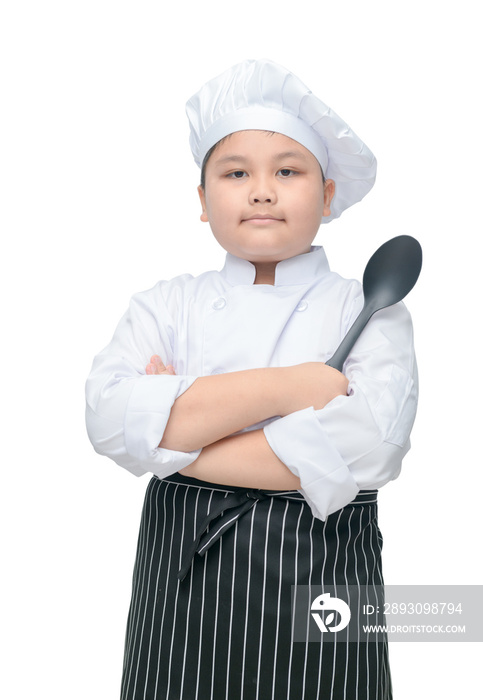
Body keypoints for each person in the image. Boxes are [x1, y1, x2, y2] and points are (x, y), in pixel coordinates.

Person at [85, 59, 418, 700]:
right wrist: (294, 390)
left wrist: (177, 432)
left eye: (287, 172)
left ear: (325, 195)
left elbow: (371, 447)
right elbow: (107, 418)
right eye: (236, 173)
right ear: (202, 200)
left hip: (323, 580)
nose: (261, 191)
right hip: (183, 586)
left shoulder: (370, 309)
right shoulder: (165, 304)